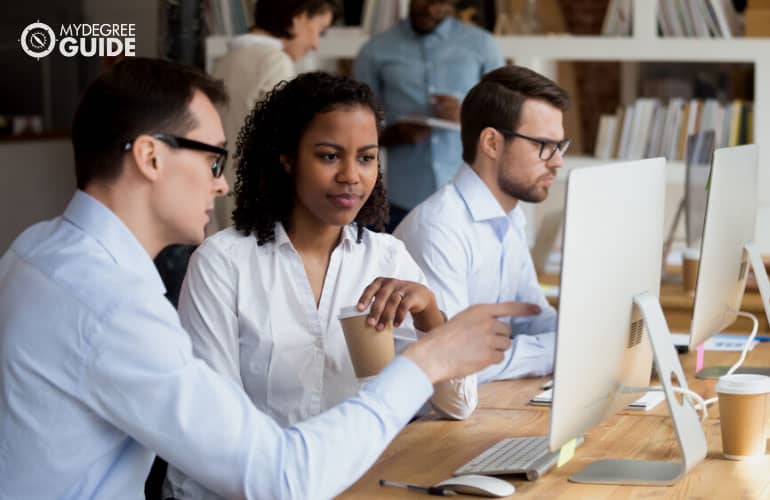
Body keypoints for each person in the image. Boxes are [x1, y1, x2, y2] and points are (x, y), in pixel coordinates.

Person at [0, 57, 538, 500]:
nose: (220, 185)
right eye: (213, 161)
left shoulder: (34, 253)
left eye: (367, 157)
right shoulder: (117, 301)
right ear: (149, 157)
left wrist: (430, 331)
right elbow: (279, 476)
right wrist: (426, 361)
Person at [163, 71, 500, 499]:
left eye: (366, 158)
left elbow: (459, 405)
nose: (351, 176)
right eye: (328, 156)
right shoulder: (224, 264)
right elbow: (218, 439)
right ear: (287, 158)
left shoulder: (386, 258)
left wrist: (429, 315)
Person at [395, 65, 570, 383]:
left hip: (482, 411)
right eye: (544, 146)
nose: (557, 161)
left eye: (560, 147)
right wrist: (561, 348)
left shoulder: (510, 217)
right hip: (426, 425)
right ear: (491, 143)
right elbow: (457, 366)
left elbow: (533, 315)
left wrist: (591, 338)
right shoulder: (438, 229)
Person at [353, 0, 503, 231]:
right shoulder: (375, 49)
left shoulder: (483, 46)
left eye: (438, 2)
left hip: (469, 198)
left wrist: (467, 114)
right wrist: (392, 135)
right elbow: (355, 126)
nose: (428, 8)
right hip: (401, 201)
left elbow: (503, 118)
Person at [212, 0, 338, 230]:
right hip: (254, 200)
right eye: (319, 30)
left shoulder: (225, 61)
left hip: (220, 195)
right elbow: (283, 142)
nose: (315, 44)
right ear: (298, 17)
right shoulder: (275, 61)